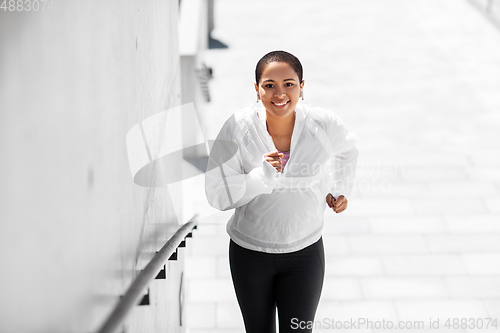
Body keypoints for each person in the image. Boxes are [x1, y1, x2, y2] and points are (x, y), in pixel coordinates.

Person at [204, 50, 359, 333]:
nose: (279, 93)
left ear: (302, 86)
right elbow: (216, 193)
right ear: (256, 89)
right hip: (250, 252)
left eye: (289, 84)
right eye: (269, 85)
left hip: (305, 252)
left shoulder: (322, 124)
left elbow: (348, 150)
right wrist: (259, 177)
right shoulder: (238, 127)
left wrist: (339, 188)